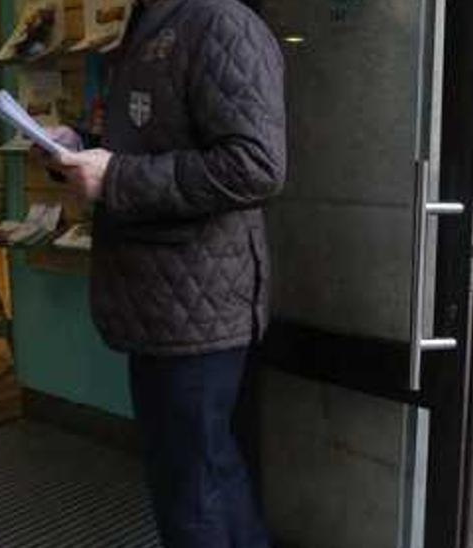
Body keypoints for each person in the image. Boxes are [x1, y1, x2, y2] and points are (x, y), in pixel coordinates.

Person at [40, 0, 285, 546]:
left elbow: (257, 166)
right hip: (163, 303)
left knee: (190, 490)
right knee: (207, 471)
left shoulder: (220, 22)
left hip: (197, 310)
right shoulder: (151, 22)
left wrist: (117, 177)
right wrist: (79, 146)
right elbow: (152, 141)